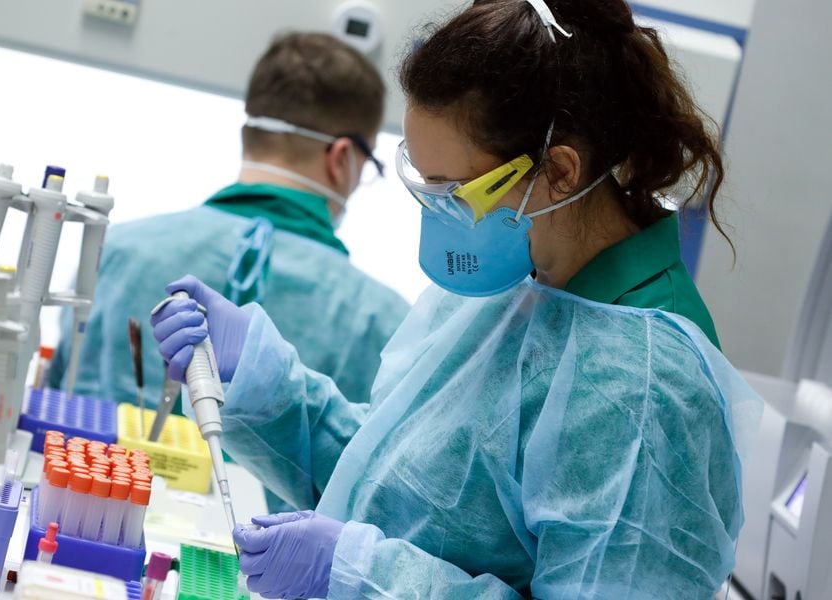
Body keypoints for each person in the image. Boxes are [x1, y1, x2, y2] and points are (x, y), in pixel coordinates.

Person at [152, 1, 762, 598]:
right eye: (426, 185)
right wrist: (260, 381)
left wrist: (362, 577)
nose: (439, 215)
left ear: (560, 171)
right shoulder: (513, 289)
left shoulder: (643, 390)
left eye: (455, 192)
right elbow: (392, 484)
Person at [49, 32, 409, 418]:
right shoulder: (380, 320)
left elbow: (55, 405)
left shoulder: (115, 251)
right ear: (342, 158)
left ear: (250, 133)